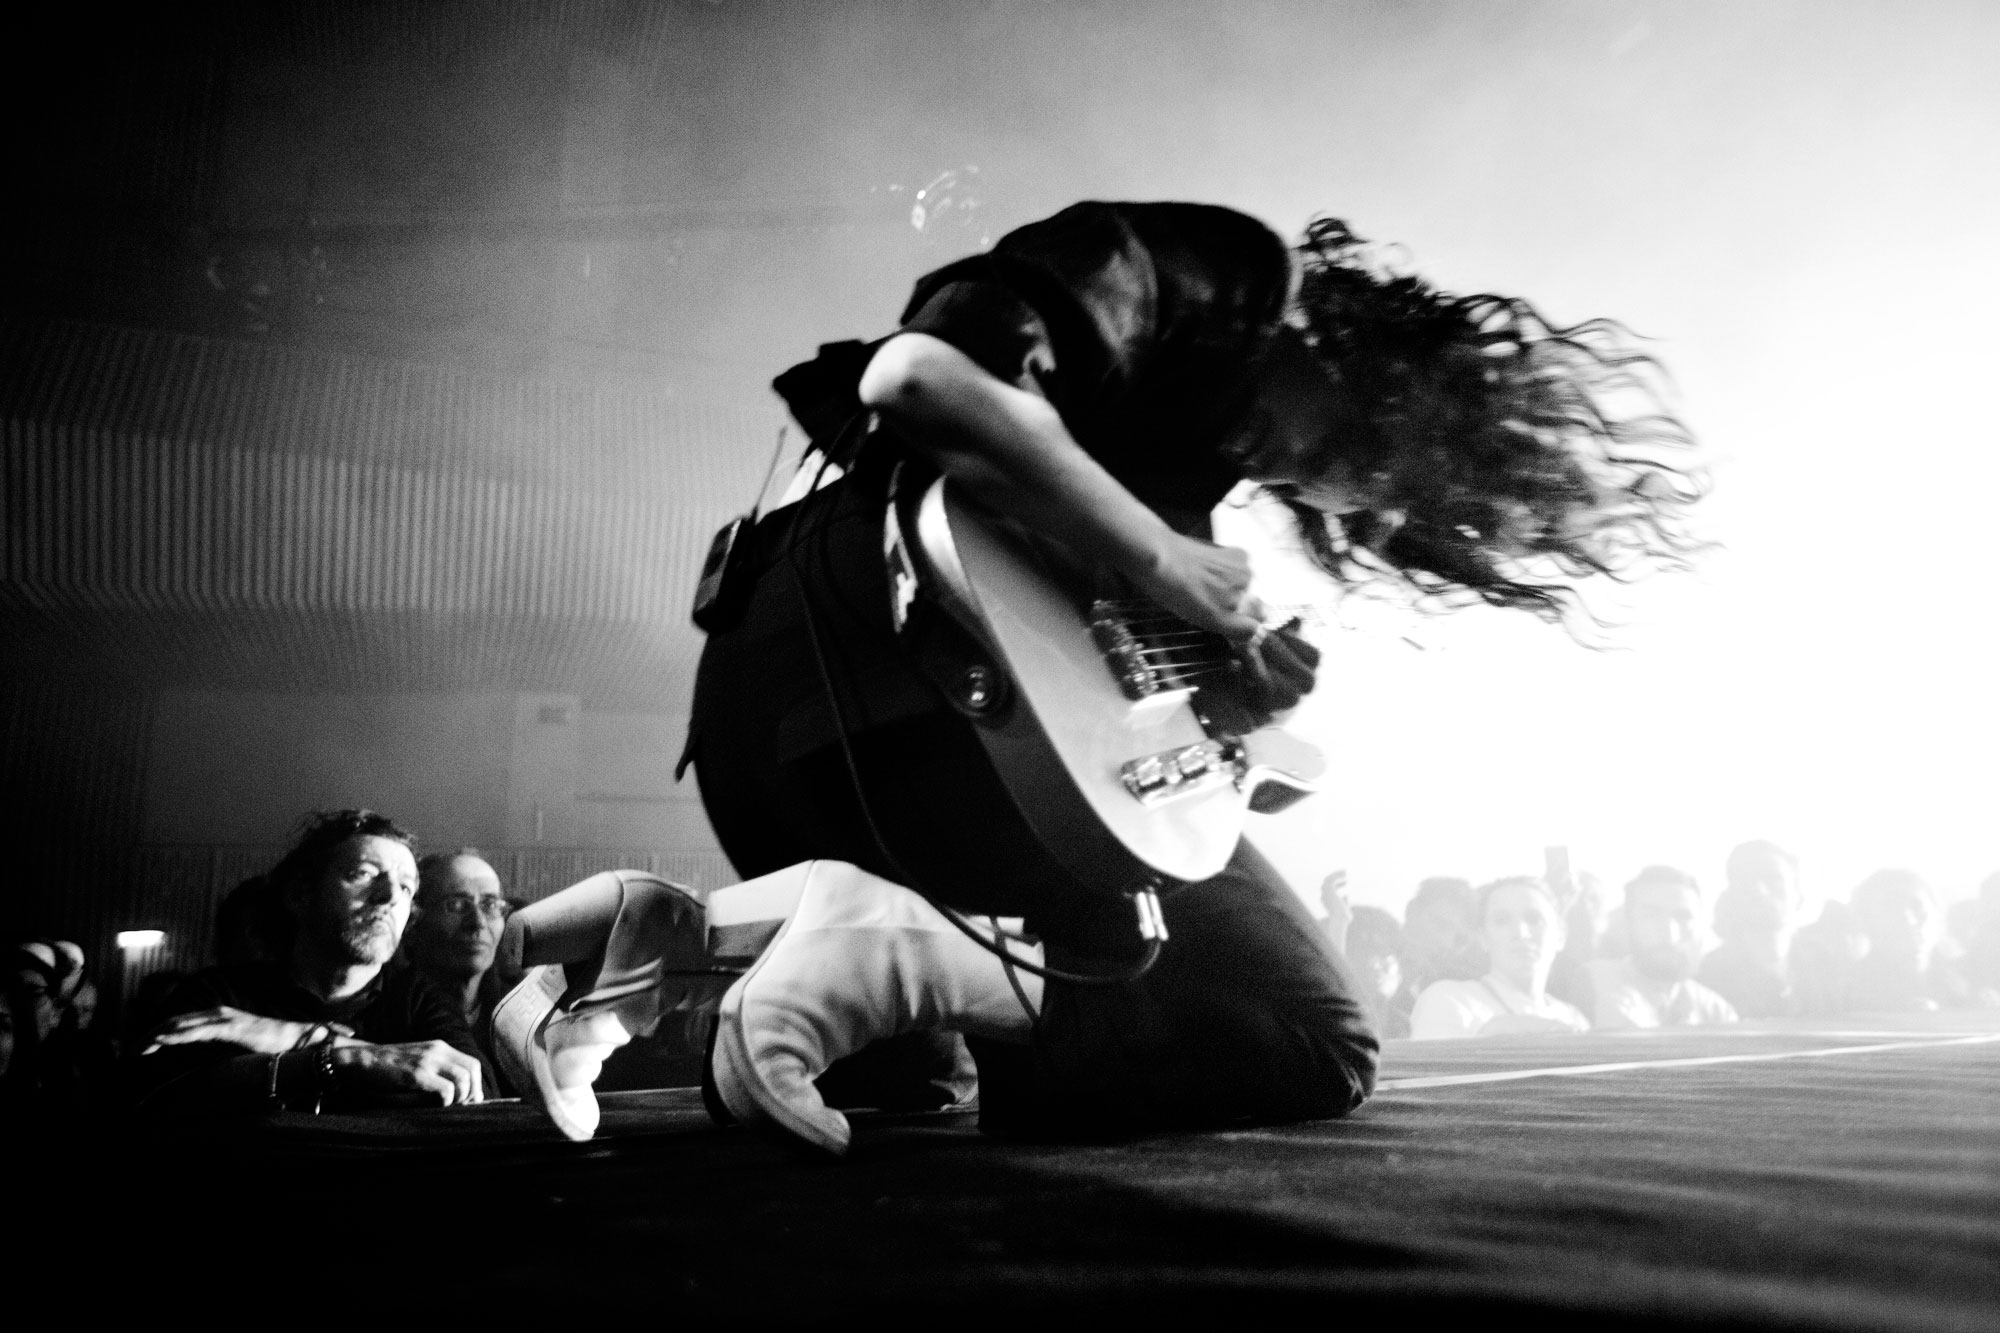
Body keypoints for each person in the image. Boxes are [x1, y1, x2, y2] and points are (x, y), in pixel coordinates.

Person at [509, 201, 1698, 1151]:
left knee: (971, 1088)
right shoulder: (1221, 281)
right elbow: (914, 380)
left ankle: (648, 950)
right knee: (1308, 1039)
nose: (1347, 499)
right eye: (1369, 464)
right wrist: (1168, 563)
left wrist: (1229, 696)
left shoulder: (1203, 455)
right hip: (890, 708)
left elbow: (1087, 661)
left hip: (798, 758)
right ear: (1385, 378)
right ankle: (893, 946)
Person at [137, 810, 488, 1114]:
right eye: (364, 874)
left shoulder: (420, 1000)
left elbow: (477, 1094)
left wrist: (300, 1038)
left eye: (407, 887)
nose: (390, 896)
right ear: (301, 895)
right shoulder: (220, 994)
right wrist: (351, 1058)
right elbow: (155, 1097)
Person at [1410, 877, 1589, 1039]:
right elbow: (1433, 1072)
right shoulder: (1448, 1000)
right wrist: (1486, 1039)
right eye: (1501, 920)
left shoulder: (1574, 1018)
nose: (1521, 933)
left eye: (1535, 919)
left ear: (1561, 935)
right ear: (1483, 938)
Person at [1584, 866, 1738, 1030]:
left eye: (1683, 917)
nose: (1670, 934)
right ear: (1629, 922)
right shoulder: (1597, 982)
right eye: (1652, 915)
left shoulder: (1717, 1010)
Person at [400, 848, 511, 1072]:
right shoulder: (385, 1013)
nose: (478, 923)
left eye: (490, 905)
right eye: (456, 905)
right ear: (413, 922)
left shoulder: (522, 1010)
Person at [1698, 840, 1805, 1019]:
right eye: (1746, 880)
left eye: (1773, 878)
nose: (1759, 890)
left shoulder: (1827, 968)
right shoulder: (1708, 978)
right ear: (1731, 895)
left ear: (1799, 893)